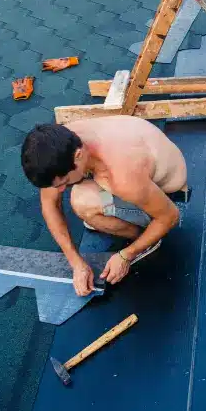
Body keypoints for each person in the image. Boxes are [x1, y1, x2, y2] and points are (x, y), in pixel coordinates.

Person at [20, 116, 188, 296]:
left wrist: (126, 255)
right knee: (83, 191)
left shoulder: (122, 175)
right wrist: (76, 263)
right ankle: (113, 212)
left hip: (166, 196)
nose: (61, 189)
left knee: (83, 202)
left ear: (78, 156)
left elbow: (170, 216)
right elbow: (49, 204)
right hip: (142, 179)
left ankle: (145, 239)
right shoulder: (63, 141)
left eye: (64, 182)